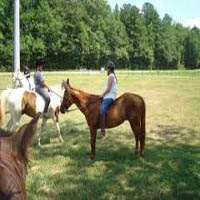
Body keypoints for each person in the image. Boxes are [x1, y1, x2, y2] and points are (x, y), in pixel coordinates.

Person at [99, 60, 118, 137]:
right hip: (108, 95)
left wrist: (102, 95)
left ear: (109, 69)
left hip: (109, 96)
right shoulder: (111, 76)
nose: (106, 70)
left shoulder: (111, 76)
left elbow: (108, 89)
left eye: (107, 68)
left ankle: (103, 130)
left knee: (102, 109)